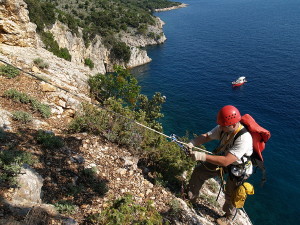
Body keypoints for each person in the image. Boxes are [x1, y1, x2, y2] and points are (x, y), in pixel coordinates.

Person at [186, 105, 253, 225]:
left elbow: (226, 161)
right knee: (199, 172)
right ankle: (190, 197)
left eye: (224, 126)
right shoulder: (224, 127)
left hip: (238, 168)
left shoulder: (244, 139)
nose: (220, 127)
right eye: (221, 125)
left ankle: (228, 217)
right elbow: (207, 136)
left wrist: (201, 156)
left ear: (233, 125)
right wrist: (193, 142)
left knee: (231, 194)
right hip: (225, 158)